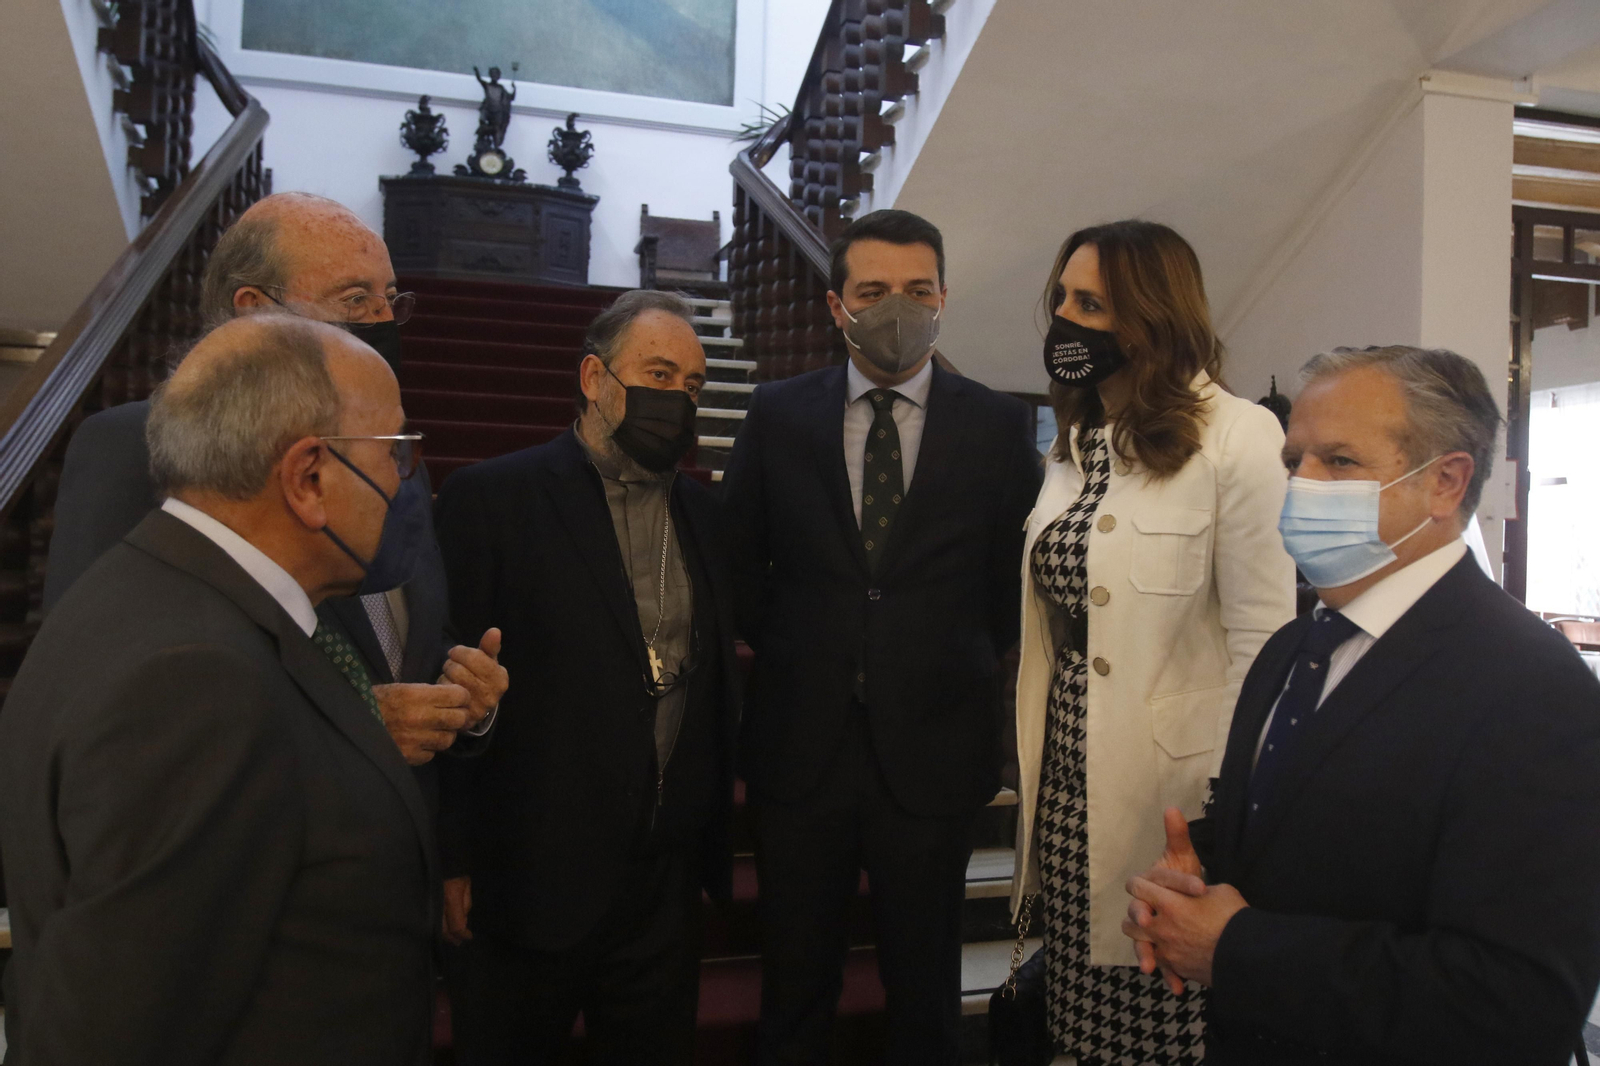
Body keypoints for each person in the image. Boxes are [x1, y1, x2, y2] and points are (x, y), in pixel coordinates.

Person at [1123, 345, 1600, 1065]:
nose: (1302, 485)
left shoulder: (1534, 691)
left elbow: (1517, 1000)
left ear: (1446, 482)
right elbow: (1320, 835)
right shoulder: (1291, 650)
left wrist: (1238, 949)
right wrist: (1197, 886)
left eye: (1339, 462)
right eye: (1294, 462)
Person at [0, 315, 439, 1065]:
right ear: (308, 479)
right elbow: (108, 1035)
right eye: (397, 452)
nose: (410, 479)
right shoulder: (199, 682)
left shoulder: (150, 581)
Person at [721, 209, 1042, 1065]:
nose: (896, 306)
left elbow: (1012, 586)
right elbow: (738, 568)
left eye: (917, 289)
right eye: (873, 290)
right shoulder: (778, 416)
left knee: (926, 988)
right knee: (795, 983)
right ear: (837, 306)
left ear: (943, 299)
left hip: (935, 749)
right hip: (802, 746)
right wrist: (810, 644)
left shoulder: (1001, 427)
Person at [43, 191, 504, 769]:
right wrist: (353, 723)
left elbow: (409, 633)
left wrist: (461, 697)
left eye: (390, 300)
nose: (383, 322)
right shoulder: (133, 447)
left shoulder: (391, 453)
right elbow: (98, 680)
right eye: (355, 299)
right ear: (253, 308)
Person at [1010, 220, 1295, 1063]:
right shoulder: (1072, 443)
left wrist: (1227, 819)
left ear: (1151, 317)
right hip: (1068, 785)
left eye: (1090, 303)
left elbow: (1263, 642)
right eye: (1061, 298)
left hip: (1177, 804)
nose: (1064, 320)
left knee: (1165, 1024)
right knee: (1084, 1029)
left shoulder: (1239, 436)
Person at [432, 290, 740, 1064]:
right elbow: (452, 690)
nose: (677, 400)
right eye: (659, 374)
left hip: (664, 879)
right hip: (531, 875)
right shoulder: (492, 499)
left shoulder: (708, 519)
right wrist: (454, 855)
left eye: (694, 386)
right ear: (595, 378)